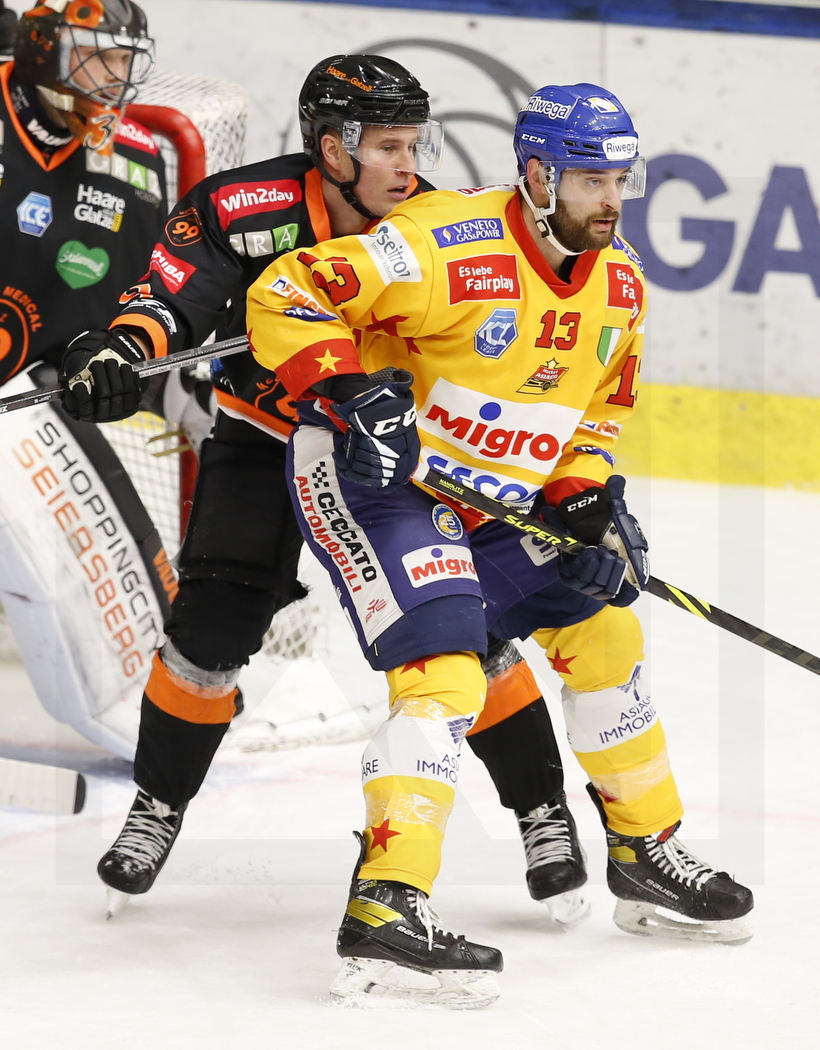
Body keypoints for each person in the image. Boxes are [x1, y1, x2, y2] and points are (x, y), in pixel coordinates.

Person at [245, 82, 755, 1007]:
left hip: (495, 500)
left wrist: (584, 504)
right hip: (378, 483)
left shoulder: (622, 285)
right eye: (593, 180)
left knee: (606, 629)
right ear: (538, 175)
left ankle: (643, 849)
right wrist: (351, 391)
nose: (613, 200)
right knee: (446, 674)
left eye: (622, 180)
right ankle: (387, 903)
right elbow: (286, 291)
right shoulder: (445, 243)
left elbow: (592, 417)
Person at [60, 55, 587, 929]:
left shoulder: (435, 227)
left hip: (388, 460)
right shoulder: (243, 209)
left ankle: (542, 812)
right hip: (267, 439)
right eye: (388, 146)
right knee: (210, 631)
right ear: (333, 149)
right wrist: (118, 350)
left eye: (415, 145)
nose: (409, 166)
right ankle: (157, 805)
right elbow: (168, 301)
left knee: (467, 629)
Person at [0, 1, 163, 387]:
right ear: (43, 49)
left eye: (125, 58)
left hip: (47, 397)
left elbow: (142, 304)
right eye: (98, 55)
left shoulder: (138, 159)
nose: (117, 78)